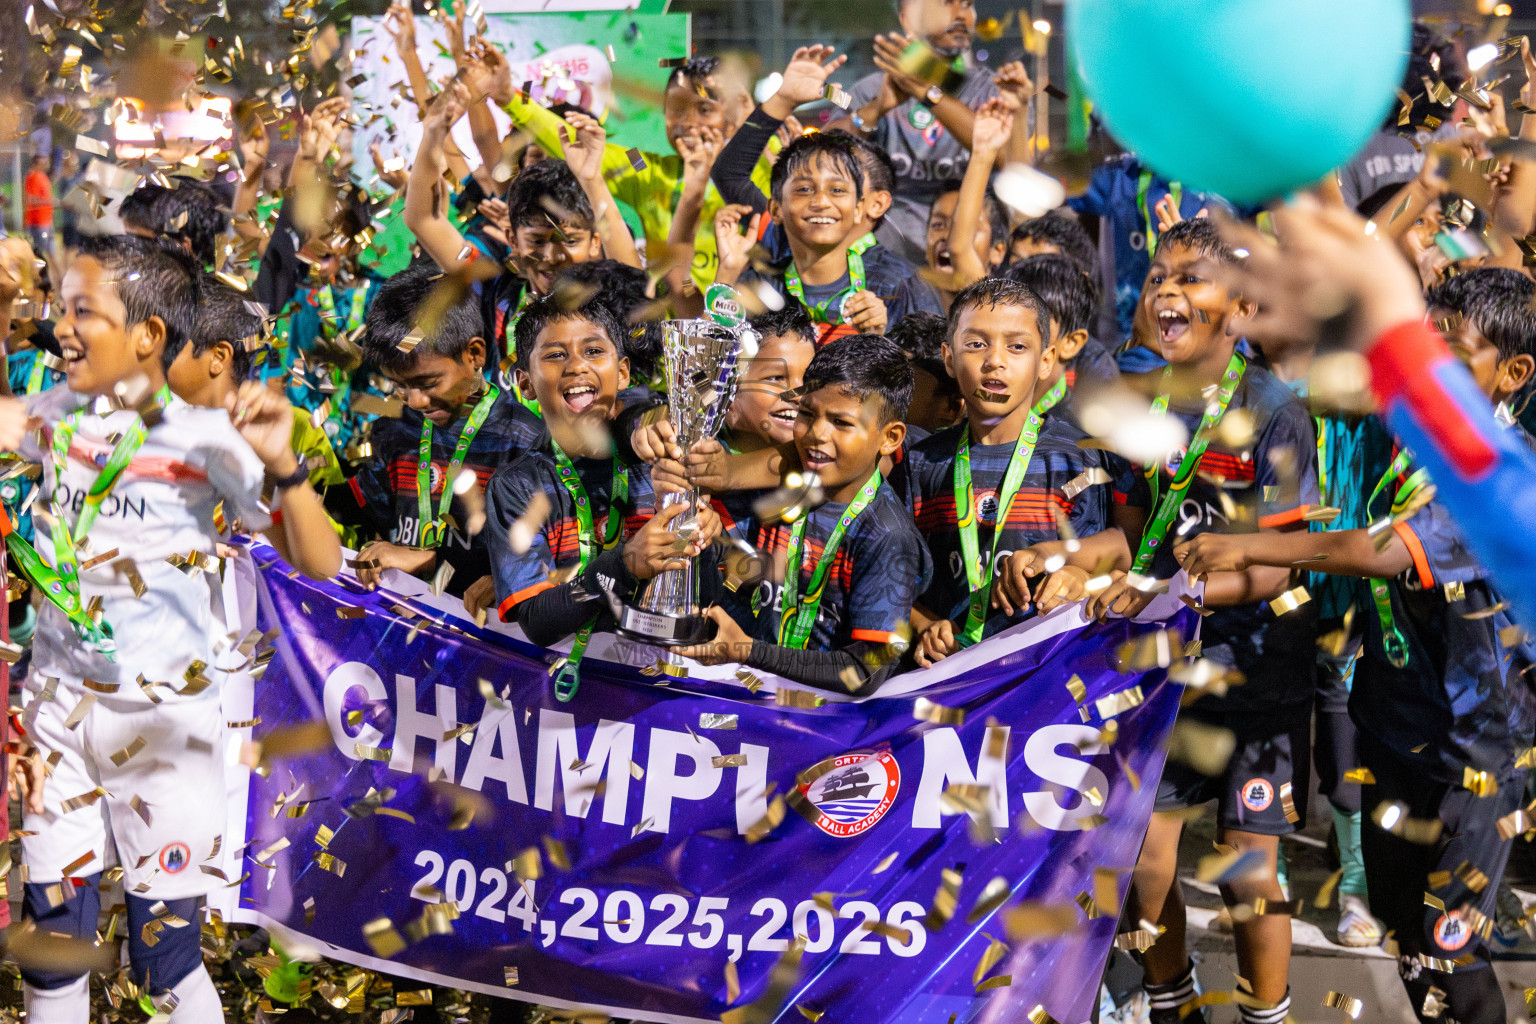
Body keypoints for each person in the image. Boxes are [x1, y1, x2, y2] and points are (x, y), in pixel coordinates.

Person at [1175, 268, 1536, 1024]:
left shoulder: (1499, 471)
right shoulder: (1402, 445)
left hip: (1477, 764)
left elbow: (1382, 554)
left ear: (1512, 374)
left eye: (1453, 353)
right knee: (1407, 938)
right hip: (1394, 734)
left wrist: (1245, 547)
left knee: (1449, 944)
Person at [0, 235, 338, 1023]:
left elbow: (317, 562)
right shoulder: (49, 417)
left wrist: (284, 467)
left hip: (164, 728)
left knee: (165, 960)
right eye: (59, 309)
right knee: (54, 947)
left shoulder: (205, 437)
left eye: (85, 312)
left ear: (148, 336)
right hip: (59, 717)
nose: (62, 329)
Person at [1087, 218, 1317, 1024]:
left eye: (1190, 279)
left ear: (1245, 308)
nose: (1165, 292)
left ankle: (1267, 1013)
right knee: (1143, 861)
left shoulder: (1279, 411)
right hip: (1165, 674)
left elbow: (1281, 565)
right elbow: (1143, 530)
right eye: (1157, 277)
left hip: (1260, 679)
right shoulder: (1151, 403)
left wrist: (1176, 595)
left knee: (1246, 873)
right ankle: (1171, 997)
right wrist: (1084, 561)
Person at [483, 296, 719, 698]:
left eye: (594, 351)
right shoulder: (517, 486)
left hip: (660, 696)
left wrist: (700, 541)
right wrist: (624, 563)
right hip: (563, 699)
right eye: (555, 355)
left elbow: (706, 600)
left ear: (622, 371)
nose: (577, 365)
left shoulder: (659, 461)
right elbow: (538, 621)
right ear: (524, 383)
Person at [674, 334, 930, 695]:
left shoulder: (888, 535)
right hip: (752, 704)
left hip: (825, 731)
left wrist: (747, 651)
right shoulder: (784, 486)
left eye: (842, 423)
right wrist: (707, 538)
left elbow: (863, 672)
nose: (816, 434)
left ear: (890, 437)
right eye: (807, 414)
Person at [903, 279, 1139, 666]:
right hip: (948, 679)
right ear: (948, 357)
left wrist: (1078, 574)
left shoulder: (1078, 459)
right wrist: (925, 625)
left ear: (1045, 361)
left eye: (1017, 346)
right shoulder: (921, 463)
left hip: (1046, 674)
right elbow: (897, 578)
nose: (995, 360)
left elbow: (1115, 552)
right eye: (976, 343)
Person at [327, 262, 544, 600]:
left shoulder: (526, 442)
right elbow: (359, 510)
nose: (414, 400)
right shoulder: (395, 429)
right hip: (401, 628)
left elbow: (535, 562)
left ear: (475, 354)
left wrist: (430, 560)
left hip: (477, 641)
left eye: (427, 383)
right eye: (399, 386)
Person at [483, 49, 761, 293]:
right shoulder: (648, 171)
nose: (688, 122)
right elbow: (574, 143)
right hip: (671, 338)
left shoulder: (764, 171)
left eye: (703, 109)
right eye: (676, 109)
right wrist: (510, 96)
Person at [712, 49, 942, 340]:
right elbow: (715, 369)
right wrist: (783, 100)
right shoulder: (774, 258)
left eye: (838, 188)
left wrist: (881, 343)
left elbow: (931, 369)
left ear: (865, 204)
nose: (821, 202)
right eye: (804, 187)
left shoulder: (900, 282)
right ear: (777, 208)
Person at [834, 0, 1031, 263]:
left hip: (970, 259)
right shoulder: (870, 90)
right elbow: (825, 151)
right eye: (947, 4)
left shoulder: (992, 89)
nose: (961, 14)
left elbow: (1013, 167)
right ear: (908, 19)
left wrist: (926, 90)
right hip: (888, 263)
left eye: (968, 5)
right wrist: (875, 109)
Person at [168, 278, 344, 493]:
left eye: (172, 343)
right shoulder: (150, 423)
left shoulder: (297, 431)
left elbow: (336, 524)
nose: (157, 350)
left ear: (218, 357)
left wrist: (280, 478)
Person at [1003, 253, 1119, 395]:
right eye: (1006, 317)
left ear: (1071, 343)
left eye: (1036, 321)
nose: (1013, 330)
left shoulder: (1081, 415)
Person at [24, 154, 54, 265]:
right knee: (39, 252)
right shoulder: (33, 177)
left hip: (46, 220)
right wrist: (48, 202)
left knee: (51, 251)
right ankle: (41, 277)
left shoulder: (43, 176)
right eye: (43, 161)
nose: (46, 163)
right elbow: (30, 199)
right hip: (38, 222)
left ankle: (58, 276)